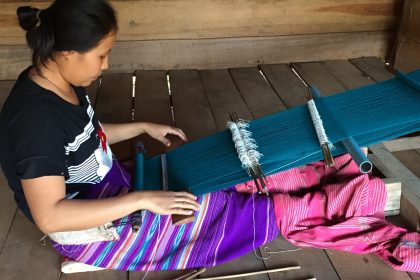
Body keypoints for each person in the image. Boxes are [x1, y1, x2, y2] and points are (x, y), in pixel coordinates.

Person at [0, 0, 418, 275]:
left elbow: (82, 140)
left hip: (114, 187)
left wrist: (142, 126)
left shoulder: (57, 84)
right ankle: (333, 202)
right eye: (101, 55)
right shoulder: (33, 121)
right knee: (247, 212)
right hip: (95, 226)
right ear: (68, 53)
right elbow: (50, 216)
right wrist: (145, 199)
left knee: (242, 176)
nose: (107, 65)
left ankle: (318, 186)